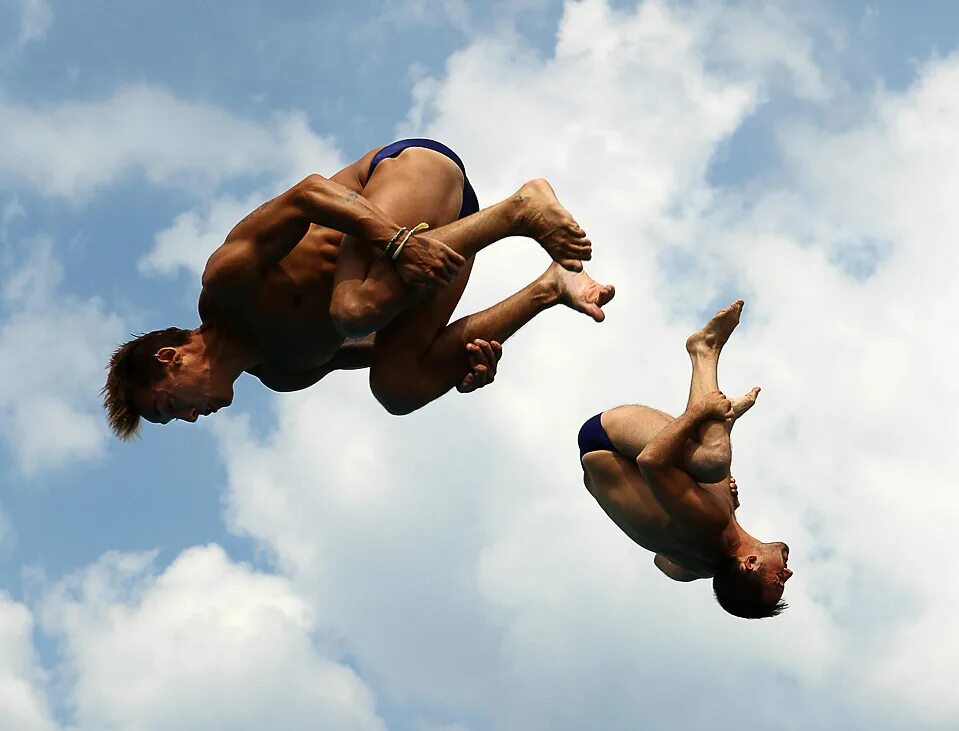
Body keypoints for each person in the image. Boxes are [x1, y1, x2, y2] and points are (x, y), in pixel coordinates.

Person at [103, 138, 615, 438]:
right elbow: (397, 352)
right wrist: (459, 362)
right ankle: (550, 287)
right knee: (398, 388)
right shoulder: (286, 373)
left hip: (410, 174)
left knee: (352, 308)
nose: (191, 418)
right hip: (443, 238)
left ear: (172, 357)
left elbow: (308, 194)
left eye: (171, 407)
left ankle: (521, 209)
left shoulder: (226, 284)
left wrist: (392, 239)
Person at [578, 300, 791, 619]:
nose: (788, 574)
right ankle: (722, 421)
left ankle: (704, 351)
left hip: (607, 440)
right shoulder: (699, 566)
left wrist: (700, 413)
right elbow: (665, 564)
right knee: (712, 482)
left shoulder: (711, 526)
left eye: (778, 580)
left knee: (712, 460)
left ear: (749, 563)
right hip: (600, 469)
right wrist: (722, 505)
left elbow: (651, 461)